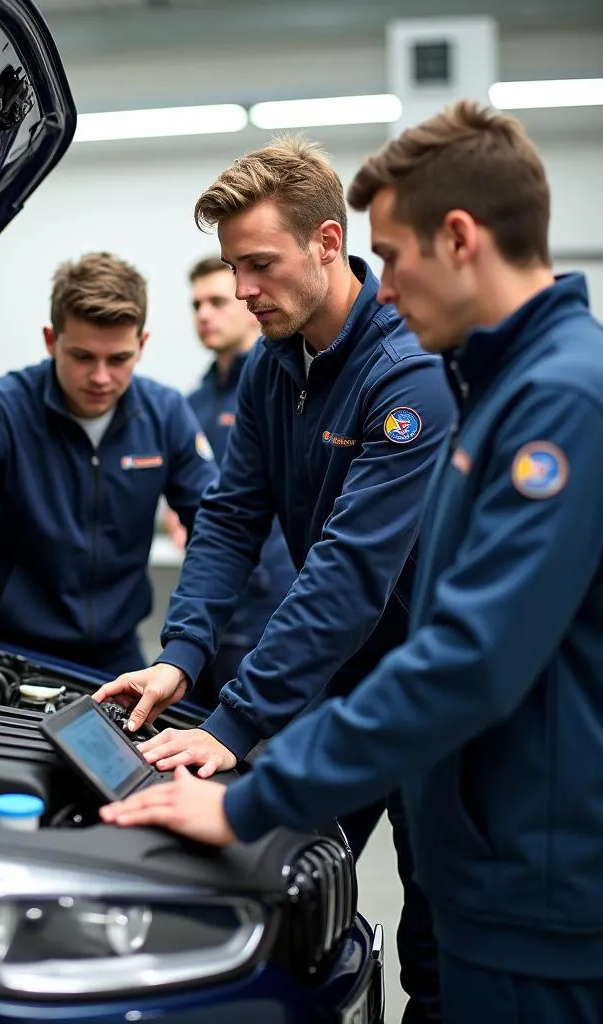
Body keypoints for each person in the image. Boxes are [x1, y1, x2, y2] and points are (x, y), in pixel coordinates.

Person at [99, 101, 603, 1023]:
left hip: (527, 841)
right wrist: (184, 655)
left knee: (443, 966)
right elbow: (231, 517)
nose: (390, 288)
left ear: (456, 240)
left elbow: (395, 603)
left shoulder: (522, 395)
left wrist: (247, 769)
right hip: (412, 735)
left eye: (395, 258)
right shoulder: (467, 378)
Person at [93, 138, 456, 1022]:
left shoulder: (407, 373)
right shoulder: (271, 366)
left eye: (259, 265)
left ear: (329, 244)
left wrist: (240, 721)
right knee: (283, 898)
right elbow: (229, 517)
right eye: (232, 267)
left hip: (436, 697)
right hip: (342, 687)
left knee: (438, 946)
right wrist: (181, 657)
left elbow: (349, 571)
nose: (243, 290)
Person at [0, 252, 219, 676]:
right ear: (51, 340)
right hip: (9, 649)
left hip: (117, 654)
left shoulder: (166, 413)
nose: (101, 377)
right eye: (83, 357)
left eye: (118, 359)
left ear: (141, 345)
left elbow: (215, 533)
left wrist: (184, 647)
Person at [165, 257, 297, 705]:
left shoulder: (281, 386)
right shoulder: (192, 403)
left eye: (218, 301)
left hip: (267, 602)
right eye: (197, 303)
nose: (204, 314)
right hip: (212, 601)